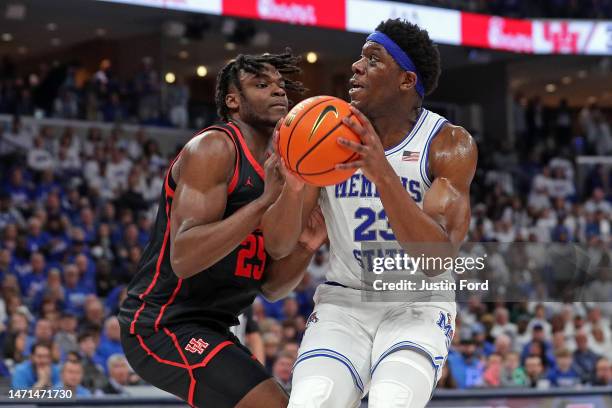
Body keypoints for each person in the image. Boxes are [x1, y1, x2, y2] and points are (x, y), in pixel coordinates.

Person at [264, 19, 477, 407]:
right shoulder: (325, 133)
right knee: (313, 400)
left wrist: (383, 174)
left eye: (373, 59)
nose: (356, 67)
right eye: (360, 57)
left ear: (406, 80)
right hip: (345, 303)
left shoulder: (447, 143)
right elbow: (278, 247)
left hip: (419, 302)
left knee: (391, 399)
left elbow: (436, 259)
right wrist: (293, 187)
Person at [118, 51, 328, 408]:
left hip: (215, 327)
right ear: (233, 100)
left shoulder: (288, 168)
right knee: (271, 403)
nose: (278, 92)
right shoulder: (214, 148)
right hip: (160, 324)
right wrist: (262, 203)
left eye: (280, 85)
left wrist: (305, 247)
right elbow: (183, 257)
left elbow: (273, 287)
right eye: (261, 85)